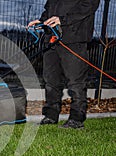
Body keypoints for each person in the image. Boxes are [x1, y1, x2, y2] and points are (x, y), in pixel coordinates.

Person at [28, 0, 100, 129]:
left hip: (74, 38)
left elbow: (88, 5)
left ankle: (76, 119)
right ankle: (50, 116)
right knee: (51, 80)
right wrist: (42, 21)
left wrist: (62, 20)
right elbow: (49, 9)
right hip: (52, 38)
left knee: (76, 81)